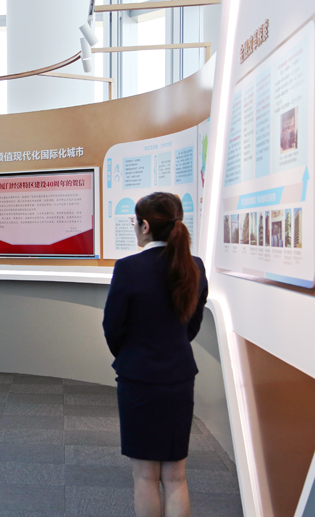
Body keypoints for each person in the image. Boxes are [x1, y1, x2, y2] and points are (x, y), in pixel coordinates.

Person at [102, 192, 208, 517]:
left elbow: (113, 326)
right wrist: (172, 346)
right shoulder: (195, 266)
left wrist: (133, 355)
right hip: (179, 376)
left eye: (135, 222)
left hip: (139, 379)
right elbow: (193, 322)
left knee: (145, 476)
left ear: (145, 226)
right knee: (176, 476)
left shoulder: (128, 268)